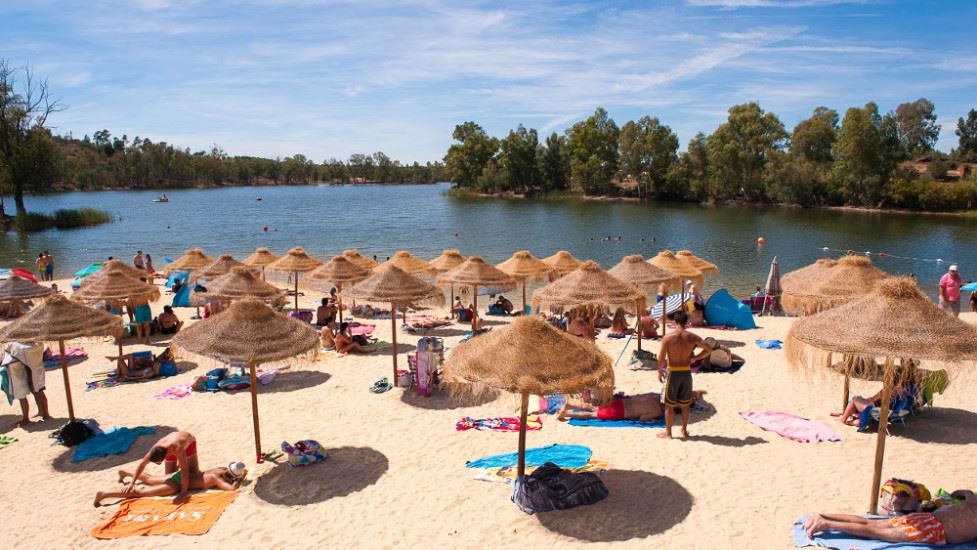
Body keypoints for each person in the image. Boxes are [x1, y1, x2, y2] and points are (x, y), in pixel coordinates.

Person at [804, 489, 977, 545]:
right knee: (874, 532)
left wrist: (956, 495)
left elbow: (965, 492)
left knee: (871, 523)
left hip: (925, 518)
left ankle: (823, 516)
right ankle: (825, 523)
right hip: (935, 530)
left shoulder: (973, 501)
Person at [657, 310, 712, 439]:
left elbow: (661, 357)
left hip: (673, 372)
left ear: (674, 321)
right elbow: (709, 349)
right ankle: (684, 431)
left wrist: (659, 371)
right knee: (685, 405)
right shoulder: (692, 337)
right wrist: (695, 358)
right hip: (686, 373)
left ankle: (668, 433)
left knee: (669, 405)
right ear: (686, 322)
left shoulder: (668, 338)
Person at [94, 462, 245, 507]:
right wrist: (241, 478)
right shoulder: (216, 479)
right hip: (176, 484)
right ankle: (105, 494)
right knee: (141, 493)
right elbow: (232, 489)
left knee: (150, 478)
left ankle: (126, 473)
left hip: (179, 475)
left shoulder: (219, 469)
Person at [124, 431, 201, 504]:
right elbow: (142, 465)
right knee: (170, 479)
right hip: (171, 447)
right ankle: (126, 472)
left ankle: (181, 463)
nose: (159, 464)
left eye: (159, 462)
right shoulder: (156, 449)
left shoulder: (177, 447)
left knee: (193, 474)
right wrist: (132, 482)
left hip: (189, 444)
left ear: (164, 456)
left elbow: (184, 471)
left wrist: (183, 492)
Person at [557, 390, 707, 422]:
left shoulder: (654, 396)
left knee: (593, 408)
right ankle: (567, 414)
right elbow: (642, 419)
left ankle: (571, 404)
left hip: (619, 402)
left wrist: (696, 394)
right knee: (592, 415)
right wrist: (653, 419)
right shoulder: (656, 411)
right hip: (621, 412)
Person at [1, 342, 51, 428]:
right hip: (34, 370)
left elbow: (14, 356)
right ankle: (44, 413)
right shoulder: (37, 345)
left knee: (25, 396)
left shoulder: (16, 347)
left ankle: (27, 418)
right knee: (38, 392)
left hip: (21, 373)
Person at [108, 349, 173, 381]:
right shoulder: (150, 368)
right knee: (131, 356)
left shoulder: (152, 373)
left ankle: (118, 374)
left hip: (128, 373)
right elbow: (157, 361)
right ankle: (114, 359)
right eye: (157, 364)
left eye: (157, 366)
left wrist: (128, 378)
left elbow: (141, 378)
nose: (156, 365)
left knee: (120, 360)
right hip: (133, 370)